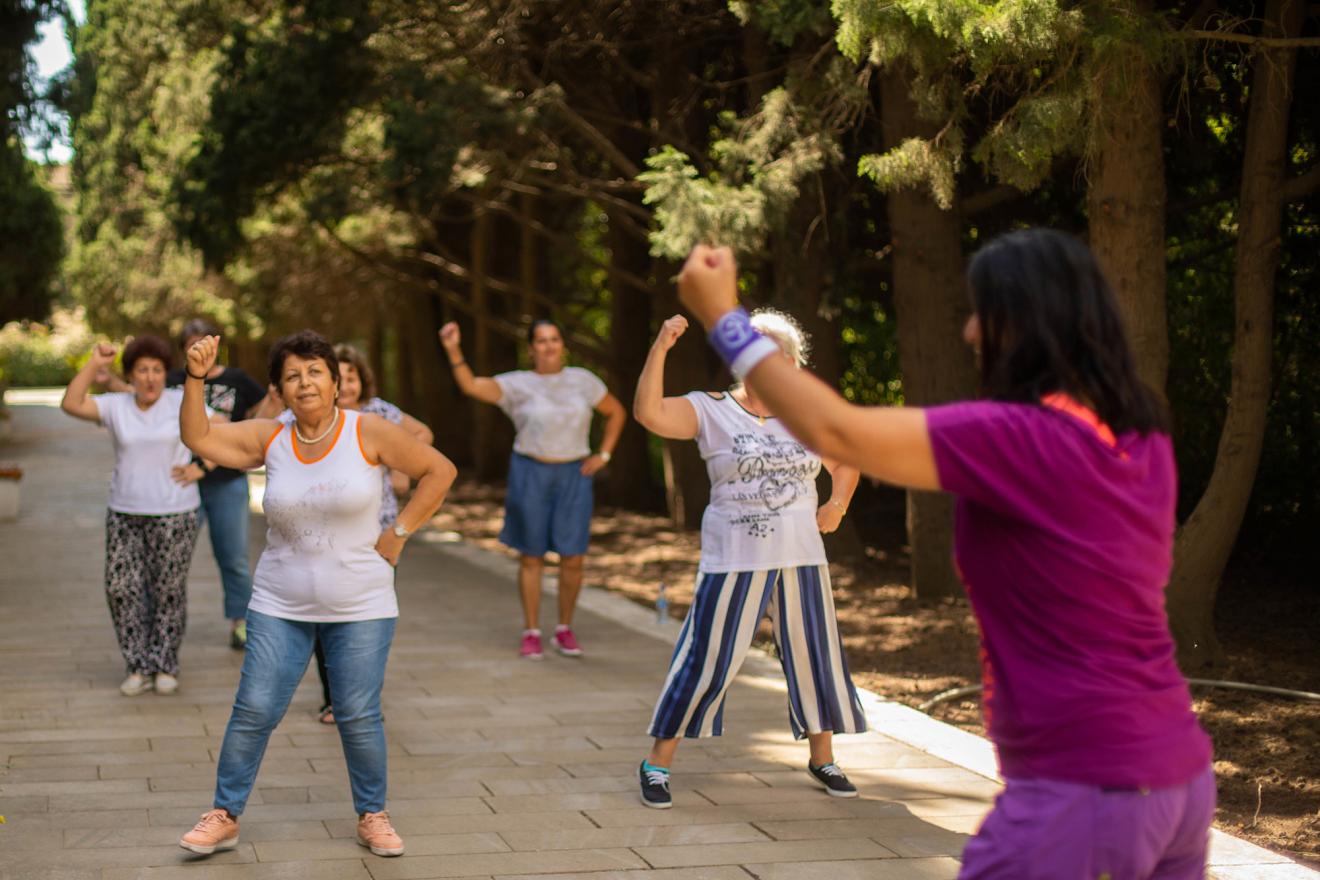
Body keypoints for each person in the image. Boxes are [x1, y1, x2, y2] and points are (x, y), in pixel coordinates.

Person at [674, 232, 1215, 879]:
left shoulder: (1016, 438)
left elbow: (837, 432)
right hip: (1179, 772)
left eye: (980, 311)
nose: (966, 330)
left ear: (1021, 323)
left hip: (1084, 787)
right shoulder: (1139, 436)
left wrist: (726, 322)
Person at [175, 330, 457, 859]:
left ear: (334, 381)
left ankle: (373, 815)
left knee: (357, 712)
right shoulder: (270, 437)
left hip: (361, 605)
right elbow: (199, 438)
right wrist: (195, 377)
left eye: (315, 371)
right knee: (255, 707)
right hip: (280, 602)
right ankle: (225, 814)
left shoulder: (368, 430)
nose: (304, 382)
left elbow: (438, 471)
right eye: (292, 375)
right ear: (279, 389)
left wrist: (399, 533)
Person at [632, 308, 866, 810]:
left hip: (801, 557)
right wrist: (660, 348)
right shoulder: (711, 409)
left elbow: (847, 461)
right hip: (734, 558)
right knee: (706, 659)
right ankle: (657, 764)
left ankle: (823, 758)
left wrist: (836, 506)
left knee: (813, 656)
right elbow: (649, 415)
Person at [439, 318, 626, 659]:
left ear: (563, 345)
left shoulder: (583, 381)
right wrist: (453, 350)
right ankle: (531, 631)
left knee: (573, 557)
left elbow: (616, 412)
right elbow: (471, 386)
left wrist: (604, 454)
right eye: (541, 340)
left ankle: (564, 629)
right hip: (530, 472)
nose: (549, 345)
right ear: (531, 349)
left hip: (574, 473)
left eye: (554, 339)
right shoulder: (518, 384)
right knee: (532, 555)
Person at [293, 343, 434, 725]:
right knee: (325, 617)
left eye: (353, 375)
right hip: (325, 533)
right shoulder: (318, 417)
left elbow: (423, 433)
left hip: (379, 533)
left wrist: (401, 463)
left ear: (359, 378)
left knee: (368, 617)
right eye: (340, 375)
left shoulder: (380, 413)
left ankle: (363, 697)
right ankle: (334, 700)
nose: (348, 383)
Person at [60, 336, 203, 696]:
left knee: (167, 589)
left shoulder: (180, 401)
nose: (150, 377)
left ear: (165, 373)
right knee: (121, 588)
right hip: (124, 512)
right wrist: (94, 364)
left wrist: (202, 467)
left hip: (175, 511)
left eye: (157, 369)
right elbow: (71, 403)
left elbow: (220, 430)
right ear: (131, 374)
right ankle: (138, 664)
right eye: (142, 370)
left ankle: (165, 663)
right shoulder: (116, 406)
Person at [169, 319, 272, 650]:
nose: (199, 348)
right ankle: (166, 626)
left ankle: (241, 623)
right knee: (172, 558)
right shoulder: (174, 381)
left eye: (204, 340)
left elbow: (259, 417)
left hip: (228, 481)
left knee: (234, 557)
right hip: (181, 483)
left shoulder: (238, 379)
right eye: (191, 342)